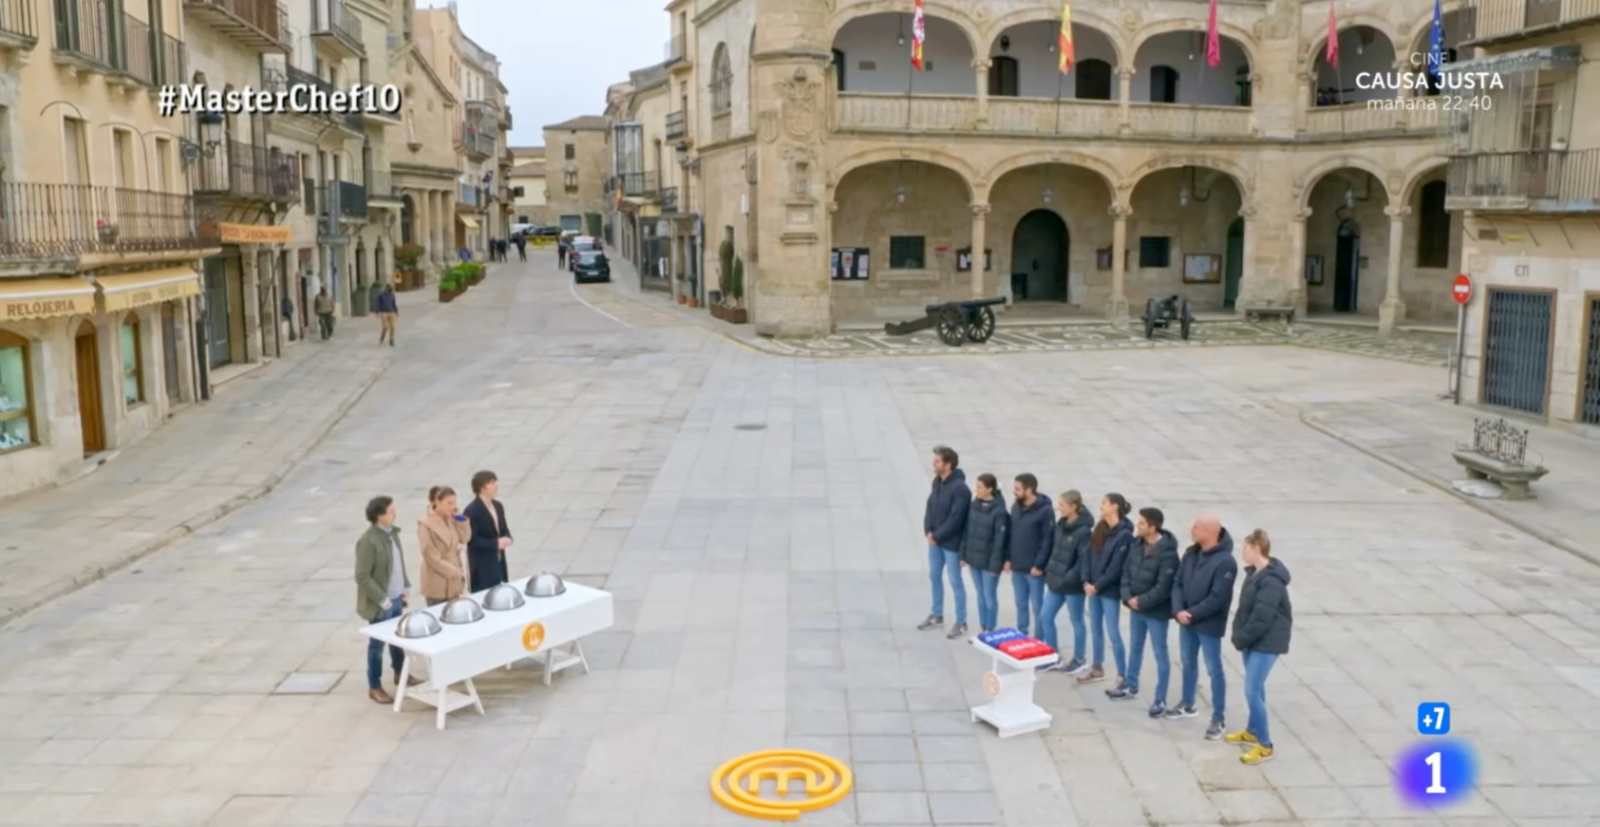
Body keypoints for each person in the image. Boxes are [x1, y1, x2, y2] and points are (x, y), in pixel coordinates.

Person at [1168, 515, 1238, 739]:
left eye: (1197, 527)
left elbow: (1218, 597)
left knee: (1213, 668)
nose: (1192, 529)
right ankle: (1188, 703)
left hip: (1207, 624)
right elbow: (1177, 583)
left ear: (1211, 532)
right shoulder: (1191, 553)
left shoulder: (1225, 562)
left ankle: (1219, 717)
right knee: (1187, 662)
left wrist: (1192, 613)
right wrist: (1179, 610)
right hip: (1186, 620)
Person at [1229, 529, 1292, 765]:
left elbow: (1261, 617)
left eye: (1245, 548)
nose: (1242, 552)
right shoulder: (1255, 573)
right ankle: (1253, 730)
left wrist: (1242, 638)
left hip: (1266, 642)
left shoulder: (1271, 582)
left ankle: (1265, 745)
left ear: (1256, 549)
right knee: (1256, 688)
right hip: (1252, 640)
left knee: (1252, 690)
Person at [1110, 507, 1180, 717]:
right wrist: (1127, 597)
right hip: (1135, 608)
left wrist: (1141, 601)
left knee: (1160, 654)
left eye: (1141, 523)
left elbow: (1163, 586)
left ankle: (1160, 698)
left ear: (1152, 527)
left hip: (1155, 612)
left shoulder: (1168, 553)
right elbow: (1125, 573)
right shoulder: (1136, 545)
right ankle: (1130, 685)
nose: (1137, 526)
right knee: (1136, 647)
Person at [354, 495, 420, 704]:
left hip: (397, 597)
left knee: (397, 640)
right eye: (390, 511)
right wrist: (382, 599)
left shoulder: (392, 534)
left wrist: (406, 586)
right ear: (379, 516)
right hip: (382, 603)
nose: (394, 514)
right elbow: (362, 576)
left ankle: (401, 673)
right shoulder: (368, 541)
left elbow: (398, 564)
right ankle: (374, 686)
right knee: (377, 646)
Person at [1078, 493, 1133, 685]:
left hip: (1108, 591)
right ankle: (1097, 666)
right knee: (1095, 629)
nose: (1101, 507)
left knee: (1113, 631)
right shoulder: (1099, 529)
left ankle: (1122, 673)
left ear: (1115, 506)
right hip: (1093, 589)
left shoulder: (1124, 535)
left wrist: (1098, 585)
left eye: (1104, 503)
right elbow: (1087, 555)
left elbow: (1116, 566)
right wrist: (1085, 581)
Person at [918, 446, 971, 639]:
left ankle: (961, 620)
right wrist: (928, 530)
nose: (934, 463)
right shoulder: (937, 482)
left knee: (955, 580)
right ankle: (937, 613)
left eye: (938, 461)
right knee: (934, 576)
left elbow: (956, 518)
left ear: (948, 465)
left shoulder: (960, 489)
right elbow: (930, 506)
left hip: (951, 543)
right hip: (935, 541)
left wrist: (937, 535)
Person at [1039, 490, 1093, 674]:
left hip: (1072, 586)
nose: (1058, 508)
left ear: (1073, 507)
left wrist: (1066, 578)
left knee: (1076, 620)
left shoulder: (1084, 531)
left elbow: (1083, 560)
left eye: (1062, 505)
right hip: (1055, 581)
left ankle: (1079, 658)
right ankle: (1053, 656)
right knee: (1045, 616)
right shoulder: (1060, 525)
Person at [959, 473, 1010, 633]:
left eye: (980, 487)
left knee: (989, 596)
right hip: (974, 559)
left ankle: (990, 627)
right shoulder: (974, 505)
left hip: (989, 563)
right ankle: (983, 626)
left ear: (990, 489)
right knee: (980, 595)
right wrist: (963, 554)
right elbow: (966, 531)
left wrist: (996, 566)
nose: (977, 490)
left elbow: (999, 541)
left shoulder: (999, 512)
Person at [1008, 473, 1052, 635]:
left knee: (1037, 606)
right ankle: (1022, 633)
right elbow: (1011, 534)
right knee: (1020, 604)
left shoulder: (1045, 511)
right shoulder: (1016, 507)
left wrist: (1039, 565)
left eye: (1018, 489)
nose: (1014, 492)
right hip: (1017, 567)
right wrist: (1008, 558)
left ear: (1029, 489)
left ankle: (1039, 638)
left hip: (1034, 570)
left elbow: (1048, 540)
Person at [418, 486, 472, 606]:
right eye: (449, 503)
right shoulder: (425, 525)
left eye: (454, 503)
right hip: (437, 579)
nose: (453, 506)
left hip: (455, 578)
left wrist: (459, 519)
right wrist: (452, 570)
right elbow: (430, 555)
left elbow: (465, 538)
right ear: (438, 502)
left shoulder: (451, 519)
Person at [463, 470, 512, 592]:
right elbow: (472, 541)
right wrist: (495, 544)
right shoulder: (472, 511)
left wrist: (508, 538)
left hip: (499, 562)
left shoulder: (498, 506)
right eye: (492, 483)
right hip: (482, 567)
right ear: (482, 488)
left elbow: (503, 529)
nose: (496, 485)